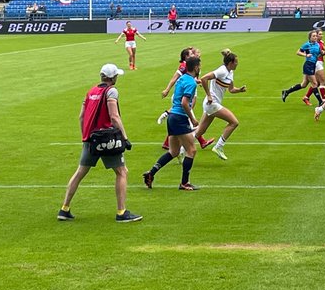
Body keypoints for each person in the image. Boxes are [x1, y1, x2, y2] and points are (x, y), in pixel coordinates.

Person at [58, 62, 142, 223]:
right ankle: (121, 212)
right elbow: (114, 116)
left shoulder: (91, 91)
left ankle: (64, 208)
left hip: (90, 139)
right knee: (122, 172)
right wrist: (124, 137)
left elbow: (81, 117)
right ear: (113, 78)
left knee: (80, 172)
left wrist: (85, 136)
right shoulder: (111, 91)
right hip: (106, 139)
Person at [143, 55, 202, 191]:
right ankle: (184, 183)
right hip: (180, 118)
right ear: (196, 67)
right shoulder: (191, 83)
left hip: (172, 117)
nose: (200, 68)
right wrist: (193, 119)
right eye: (199, 66)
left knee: (174, 151)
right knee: (191, 150)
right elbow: (184, 103)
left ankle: (151, 173)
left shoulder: (182, 78)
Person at [159, 47, 215, 150]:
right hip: (185, 94)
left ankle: (168, 143)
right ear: (186, 56)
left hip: (189, 92)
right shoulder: (184, 66)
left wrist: (198, 81)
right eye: (192, 53)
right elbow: (175, 78)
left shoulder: (194, 65)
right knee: (189, 117)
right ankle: (200, 142)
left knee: (186, 116)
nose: (195, 54)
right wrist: (167, 89)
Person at [195, 48, 246, 160]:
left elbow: (231, 89)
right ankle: (219, 146)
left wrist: (239, 90)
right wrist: (208, 95)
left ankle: (181, 150)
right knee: (234, 122)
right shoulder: (222, 71)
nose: (237, 64)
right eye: (236, 62)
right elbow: (204, 78)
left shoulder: (230, 72)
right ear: (230, 63)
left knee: (200, 131)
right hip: (212, 104)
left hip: (212, 105)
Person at [282, 30, 322, 103]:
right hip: (308, 65)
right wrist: (306, 55)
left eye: (316, 36)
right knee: (315, 83)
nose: (315, 37)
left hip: (313, 65)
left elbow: (318, 54)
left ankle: (286, 92)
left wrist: (322, 53)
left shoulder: (317, 44)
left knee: (303, 84)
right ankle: (320, 102)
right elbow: (298, 52)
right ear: (310, 37)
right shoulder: (307, 45)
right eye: (313, 36)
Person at [303, 26, 325, 105]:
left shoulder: (321, 42)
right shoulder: (313, 44)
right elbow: (314, 55)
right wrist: (321, 54)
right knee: (323, 81)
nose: (322, 36)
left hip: (320, 62)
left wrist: (324, 53)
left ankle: (306, 97)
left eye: (322, 34)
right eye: (320, 34)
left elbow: (323, 51)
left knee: (316, 83)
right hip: (316, 63)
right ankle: (324, 100)